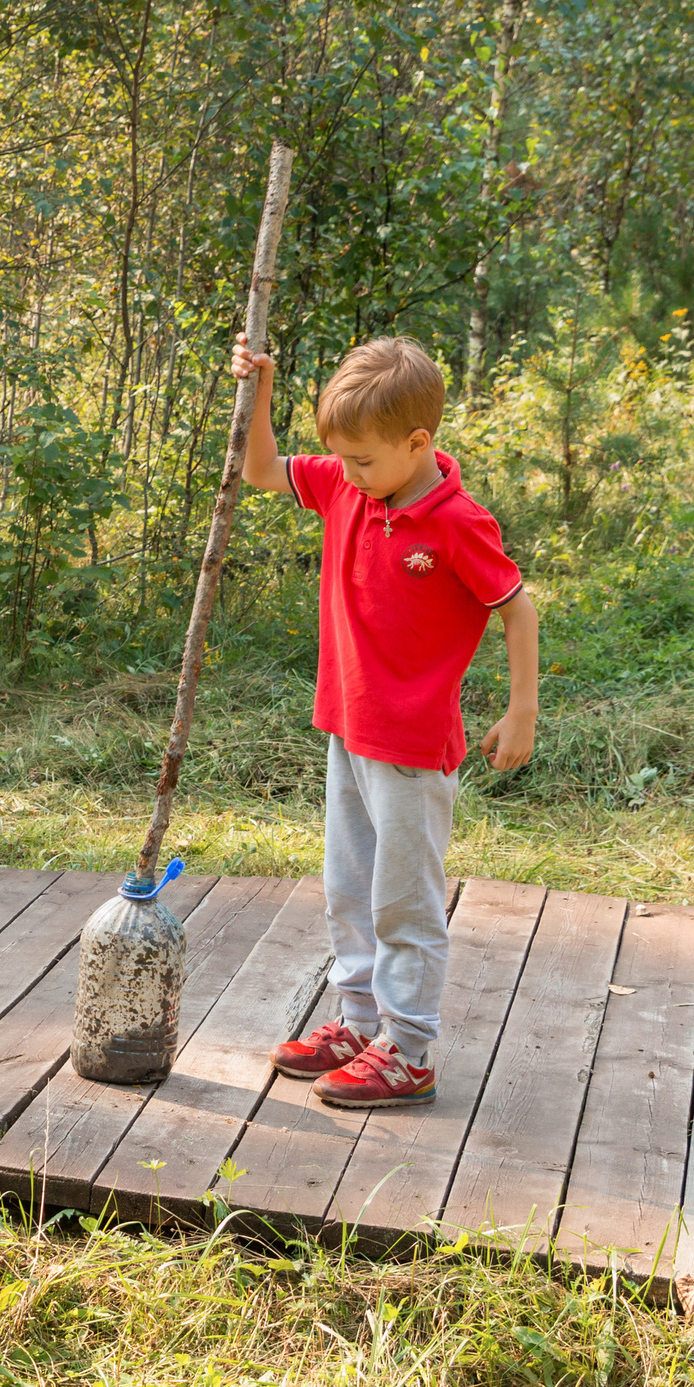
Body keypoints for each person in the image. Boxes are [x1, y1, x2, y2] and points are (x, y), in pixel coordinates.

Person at [231, 334, 539, 1107]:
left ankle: (407, 1048)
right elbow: (261, 469)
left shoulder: (459, 522)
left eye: (366, 461)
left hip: (411, 746)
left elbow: (516, 608)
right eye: (345, 460)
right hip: (347, 727)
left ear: (418, 442)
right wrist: (260, 383)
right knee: (349, 887)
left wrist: (522, 707)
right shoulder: (346, 484)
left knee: (404, 899)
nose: (353, 475)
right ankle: (358, 1020)